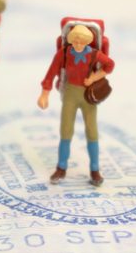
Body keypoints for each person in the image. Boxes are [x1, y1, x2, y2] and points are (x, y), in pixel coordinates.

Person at [37, 24, 115, 186]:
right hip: (70, 93)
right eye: (75, 41)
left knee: (92, 132)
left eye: (82, 41)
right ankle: (61, 167)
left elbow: (110, 65)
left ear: (88, 41)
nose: (78, 44)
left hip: (87, 95)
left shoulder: (94, 54)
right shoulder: (64, 53)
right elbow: (51, 72)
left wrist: (94, 78)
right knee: (65, 131)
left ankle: (95, 170)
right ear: (71, 40)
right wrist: (45, 92)